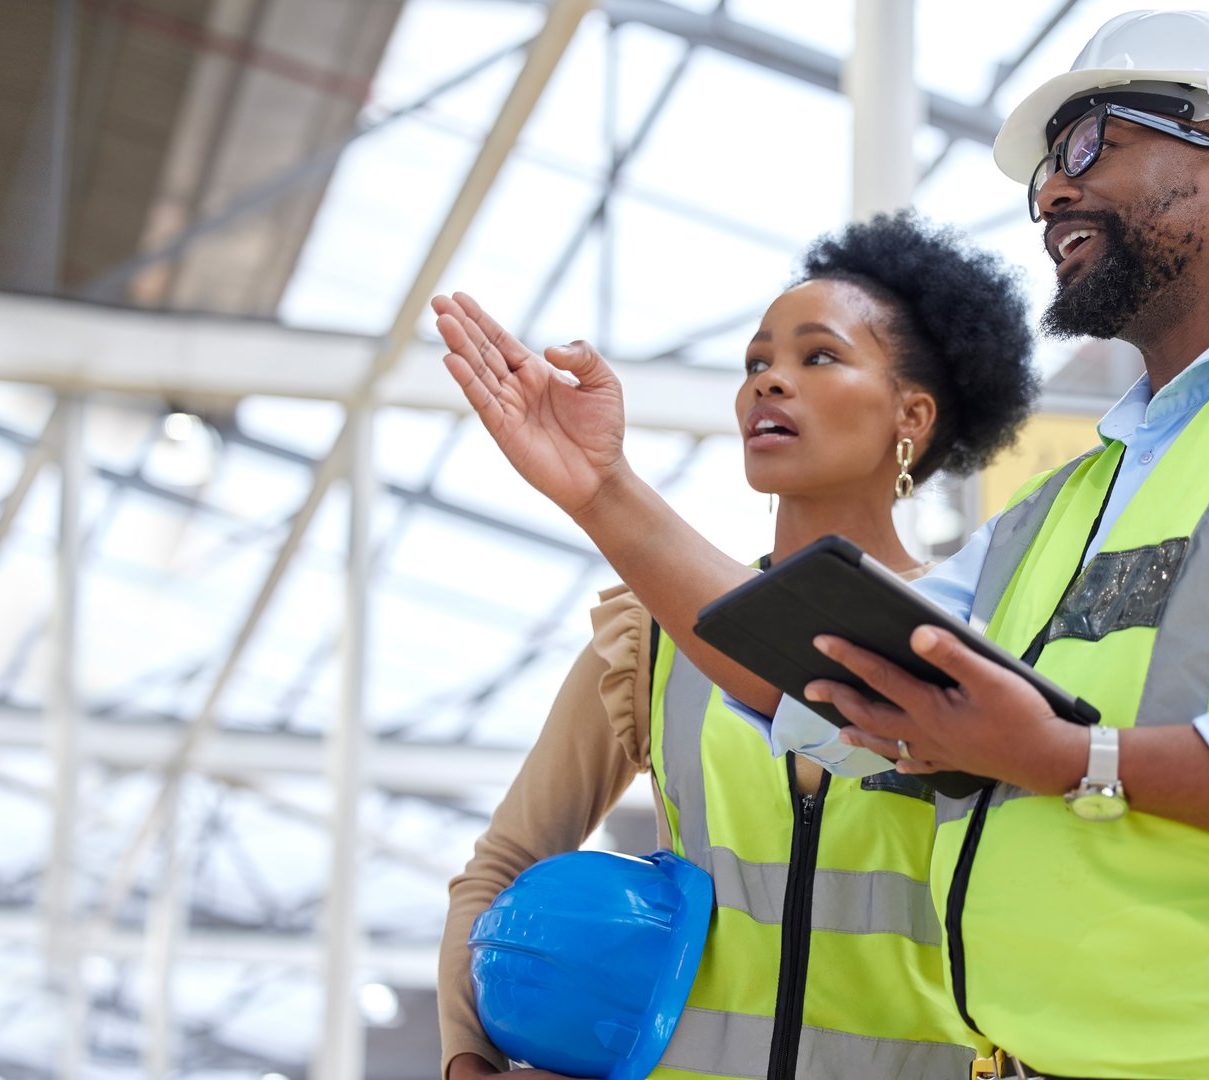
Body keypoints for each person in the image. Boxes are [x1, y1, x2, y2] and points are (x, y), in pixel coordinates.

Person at [437, 10, 1209, 1079]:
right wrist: (603, 492)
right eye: (1047, 165)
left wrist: (1072, 759)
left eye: (1092, 143)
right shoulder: (1065, 507)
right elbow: (831, 676)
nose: (1051, 188)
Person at [436, 212, 1037, 1080]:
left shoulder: (981, 640)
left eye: (817, 357)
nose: (769, 383)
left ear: (910, 414)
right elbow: (506, 861)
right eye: (756, 363)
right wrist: (467, 1057)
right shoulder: (652, 636)